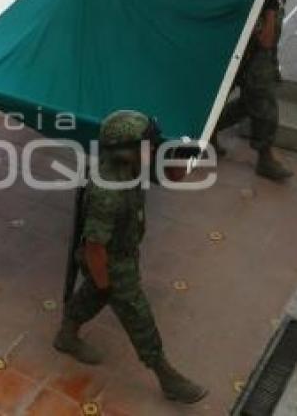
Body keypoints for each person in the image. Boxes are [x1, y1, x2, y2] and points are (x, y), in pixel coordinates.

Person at [55, 110, 208, 404]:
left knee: (93, 296)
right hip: (110, 260)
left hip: (123, 251)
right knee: (137, 313)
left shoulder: (132, 163)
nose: (151, 149)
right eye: (146, 145)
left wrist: (185, 155)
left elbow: (174, 174)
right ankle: (166, 376)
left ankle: (66, 335)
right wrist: (106, 282)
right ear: (124, 150)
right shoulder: (106, 191)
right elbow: (94, 247)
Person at [212, 0, 293, 181]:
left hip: (258, 58)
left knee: (248, 104)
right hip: (248, 58)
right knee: (265, 107)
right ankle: (265, 158)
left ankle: (210, 132)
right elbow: (266, 40)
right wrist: (268, 8)